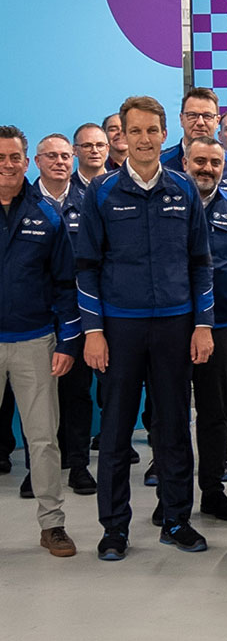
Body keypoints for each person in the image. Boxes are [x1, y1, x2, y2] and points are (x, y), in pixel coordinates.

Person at [77, 95, 215, 560]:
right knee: (115, 431)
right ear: (123, 136)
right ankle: (114, 528)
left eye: (151, 131)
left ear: (164, 134)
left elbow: (201, 263)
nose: (142, 139)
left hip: (176, 326)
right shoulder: (102, 193)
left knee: (174, 427)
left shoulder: (183, 189)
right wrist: (94, 331)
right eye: (133, 131)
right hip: (120, 328)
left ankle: (176, 520)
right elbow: (87, 267)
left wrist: (203, 324)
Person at [0, 125, 81, 558]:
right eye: (1, 157)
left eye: (15, 157)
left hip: (35, 342)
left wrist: (67, 343)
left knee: (43, 439)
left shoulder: (46, 216)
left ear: (26, 162)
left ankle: (53, 524)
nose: (8, 166)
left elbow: (66, 285)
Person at [183, 136, 227, 523]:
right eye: (199, 161)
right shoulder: (169, 207)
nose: (206, 168)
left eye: (214, 162)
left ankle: (212, 491)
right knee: (171, 413)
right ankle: (172, 497)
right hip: (172, 327)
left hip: (223, 327)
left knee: (214, 413)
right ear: (184, 160)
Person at [32, 134, 95, 496]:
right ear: (37, 162)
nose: (59, 162)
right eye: (51, 156)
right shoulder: (24, 203)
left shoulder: (88, 203)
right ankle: (42, 468)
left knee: (78, 392)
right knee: (39, 395)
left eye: (64, 156)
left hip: (78, 313)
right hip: (36, 314)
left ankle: (80, 465)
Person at [160, 88, 227, 195]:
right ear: (181, 119)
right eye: (192, 115)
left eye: (207, 116)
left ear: (217, 121)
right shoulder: (161, 163)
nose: (200, 122)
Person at [70, 123, 110, 192]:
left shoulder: (120, 184)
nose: (94, 150)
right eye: (87, 146)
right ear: (75, 150)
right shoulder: (65, 188)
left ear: (107, 149)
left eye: (100, 145)